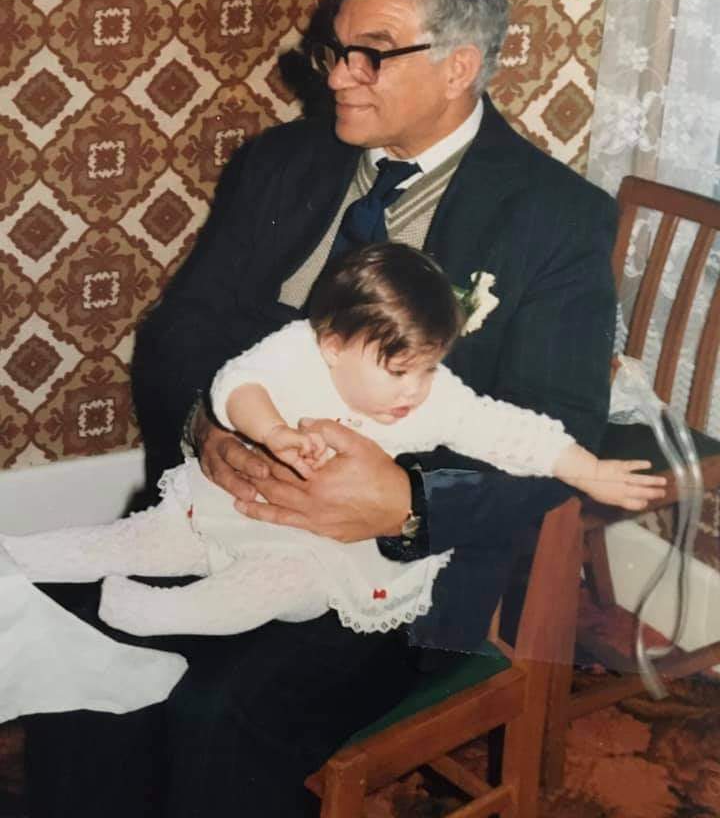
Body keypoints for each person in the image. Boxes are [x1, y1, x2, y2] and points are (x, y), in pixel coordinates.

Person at [25, 0, 629, 817]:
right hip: (220, 505)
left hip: (389, 574)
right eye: (334, 48)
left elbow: (560, 426)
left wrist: (406, 502)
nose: (338, 73)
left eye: (370, 55)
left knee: (217, 709)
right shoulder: (280, 163)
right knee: (80, 633)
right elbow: (181, 330)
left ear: (460, 66)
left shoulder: (554, 218)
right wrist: (210, 426)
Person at [5, 245, 663, 640]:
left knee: (280, 585)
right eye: (400, 370)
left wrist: (586, 468)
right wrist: (274, 433)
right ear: (334, 347)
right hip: (225, 508)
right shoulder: (296, 352)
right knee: (139, 537)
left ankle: (160, 612)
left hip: (322, 549)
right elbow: (238, 383)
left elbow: (511, 431)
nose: (418, 388)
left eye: (431, 365)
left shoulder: (433, 396)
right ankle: (20, 556)